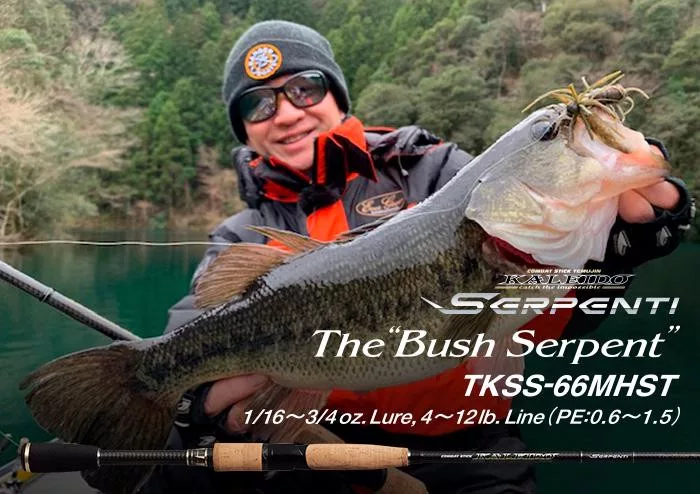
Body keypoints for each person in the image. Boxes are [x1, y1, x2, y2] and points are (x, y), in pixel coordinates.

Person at [142, 20, 694, 494]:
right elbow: (191, 328)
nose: (285, 113)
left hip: (469, 449)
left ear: (337, 95)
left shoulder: (439, 171)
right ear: (243, 129)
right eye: (257, 104)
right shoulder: (240, 236)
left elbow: (545, 319)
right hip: (316, 457)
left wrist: (610, 261)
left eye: (305, 89)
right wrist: (195, 400)